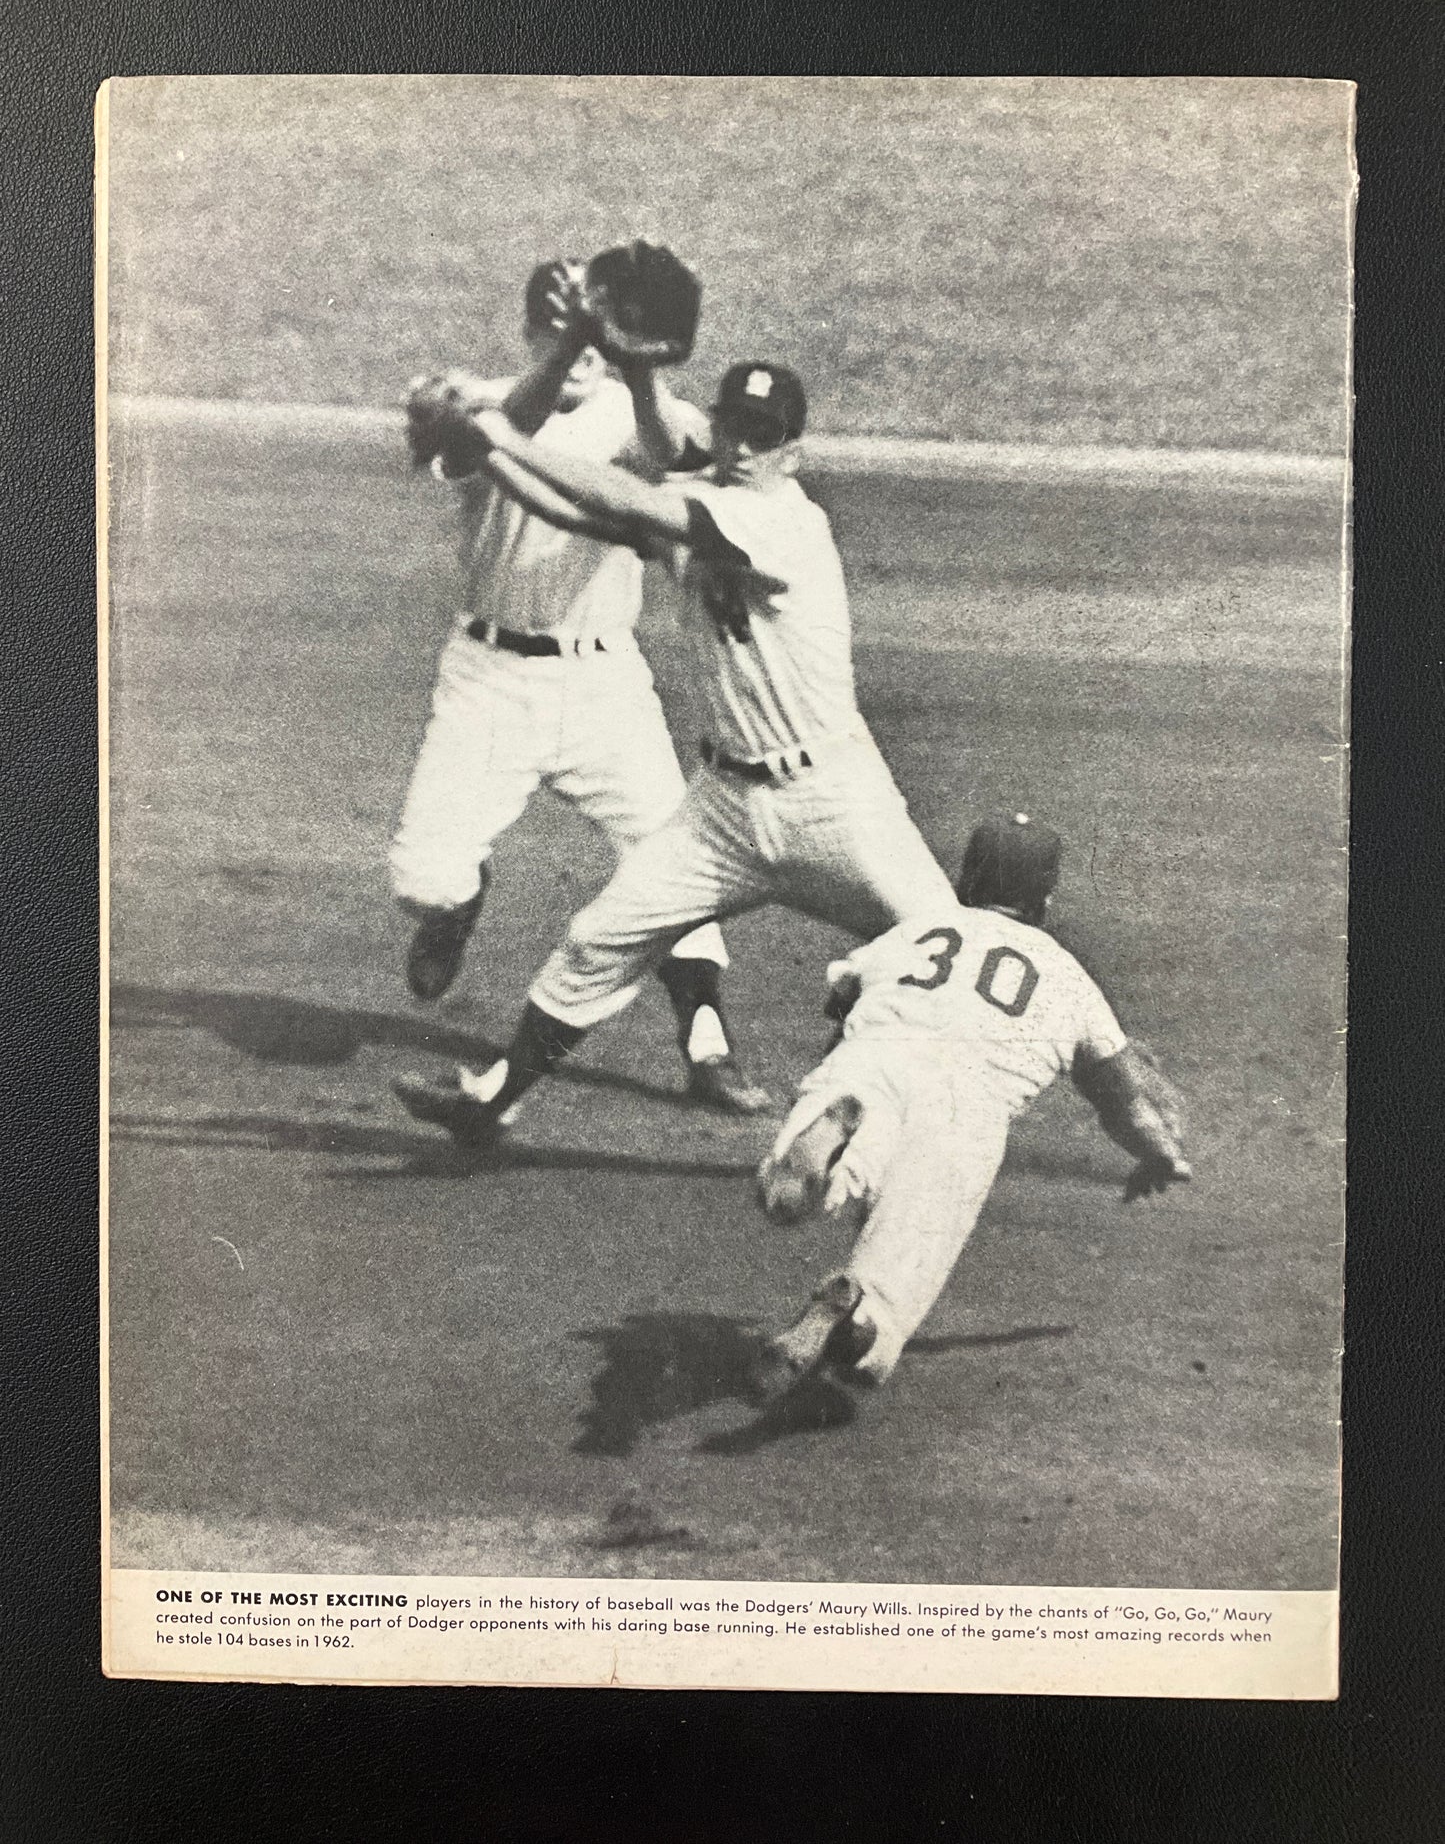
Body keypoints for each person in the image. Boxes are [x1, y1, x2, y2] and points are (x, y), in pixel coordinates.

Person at [392, 358, 962, 1152]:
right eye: (732, 427)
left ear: (792, 451)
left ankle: (1049, 1083)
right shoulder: (707, 500)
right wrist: (484, 452)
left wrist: (499, 434)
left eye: (763, 436)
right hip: (722, 809)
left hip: (831, 796)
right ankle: (494, 1103)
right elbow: (583, 512)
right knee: (596, 942)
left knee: (948, 946)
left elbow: (625, 497)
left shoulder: (783, 521)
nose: (743, 447)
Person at [390, 260, 767, 1114]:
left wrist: (634, 362)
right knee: (423, 880)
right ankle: (456, 907)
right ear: (533, 332)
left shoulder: (642, 408)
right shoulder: (484, 401)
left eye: (604, 327)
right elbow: (497, 430)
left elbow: (672, 455)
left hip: (604, 683)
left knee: (672, 859)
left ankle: (706, 1042)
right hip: (489, 681)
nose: (588, 346)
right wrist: (572, 344)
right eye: (567, 329)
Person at [752, 813, 1191, 1400]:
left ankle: (825, 1157)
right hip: (966, 1110)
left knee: (788, 1192)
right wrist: (1159, 1156)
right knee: (894, 1283)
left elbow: (843, 1003)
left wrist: (833, 1077)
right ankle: (855, 1309)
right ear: (1045, 899)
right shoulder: (1068, 978)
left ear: (966, 878)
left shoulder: (919, 931)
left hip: (874, 1060)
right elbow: (1125, 1102)